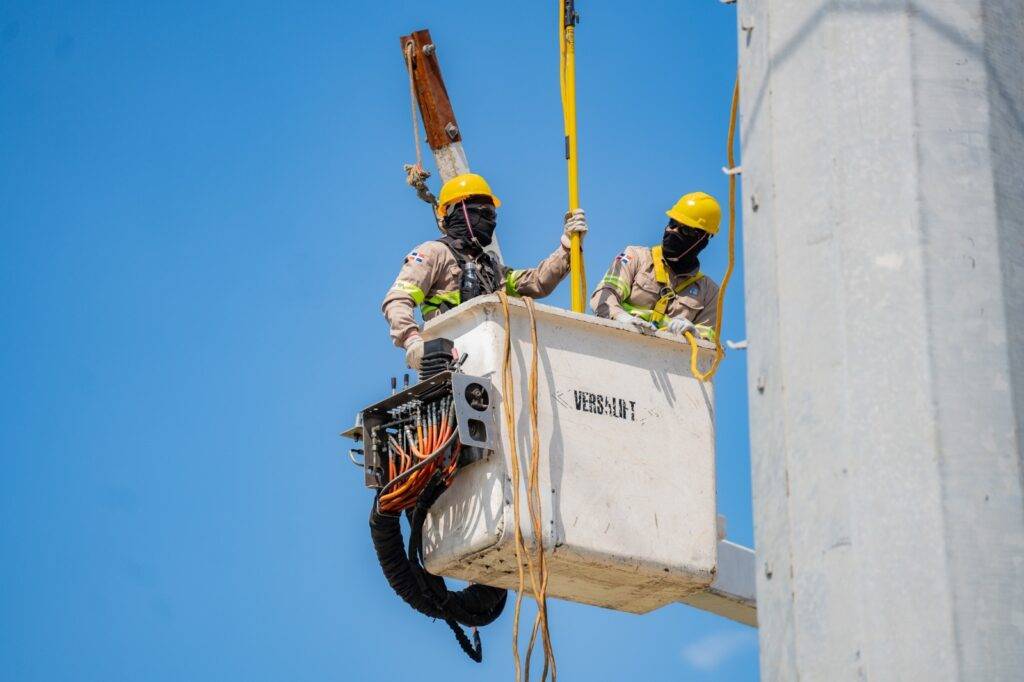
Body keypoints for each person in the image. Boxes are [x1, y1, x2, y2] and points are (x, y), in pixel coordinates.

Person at [382, 172, 588, 370]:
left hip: (491, 359)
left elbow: (537, 282)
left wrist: (567, 246)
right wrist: (412, 340)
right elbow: (397, 299)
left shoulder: (490, 267)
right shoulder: (434, 253)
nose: (492, 221)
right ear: (459, 211)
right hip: (447, 362)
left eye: (493, 214)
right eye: (485, 213)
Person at [590, 191, 721, 340]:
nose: (674, 231)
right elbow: (604, 294)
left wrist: (695, 335)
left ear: (703, 241)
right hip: (617, 342)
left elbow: (708, 341)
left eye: (686, 230)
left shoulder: (709, 292)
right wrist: (622, 318)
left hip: (662, 359)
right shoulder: (636, 256)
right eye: (672, 223)